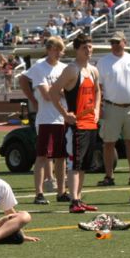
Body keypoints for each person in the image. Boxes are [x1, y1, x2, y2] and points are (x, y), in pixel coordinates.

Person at [49, 34, 101, 213]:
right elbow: (53, 91)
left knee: (84, 164)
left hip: (90, 124)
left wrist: (96, 110)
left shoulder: (93, 70)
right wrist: (64, 114)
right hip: (76, 125)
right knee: (75, 164)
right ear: (77, 50)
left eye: (90, 47)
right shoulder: (72, 70)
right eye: (85, 47)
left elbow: (98, 91)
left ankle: (79, 197)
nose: (89, 50)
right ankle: (73, 201)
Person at [20, 36, 69, 205]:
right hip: (47, 118)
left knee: (61, 156)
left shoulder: (64, 68)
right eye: (55, 49)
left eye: (60, 50)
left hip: (62, 117)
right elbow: (47, 95)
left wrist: (60, 92)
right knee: (42, 156)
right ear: (48, 49)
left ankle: (61, 191)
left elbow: (66, 91)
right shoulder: (40, 67)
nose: (58, 53)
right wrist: (33, 99)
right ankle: (39, 193)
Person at [96, 31, 130, 187]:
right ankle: (109, 176)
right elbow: (98, 87)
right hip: (111, 106)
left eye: (118, 42)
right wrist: (99, 106)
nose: (115, 45)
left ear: (125, 42)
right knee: (108, 143)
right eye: (112, 43)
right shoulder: (103, 62)